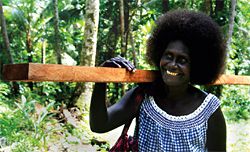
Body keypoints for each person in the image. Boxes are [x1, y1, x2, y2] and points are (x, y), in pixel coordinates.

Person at [90, 9, 227, 152]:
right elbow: (99, 125)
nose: (172, 65)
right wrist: (102, 78)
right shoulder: (143, 96)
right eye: (168, 56)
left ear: (197, 66)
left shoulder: (209, 108)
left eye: (182, 60)